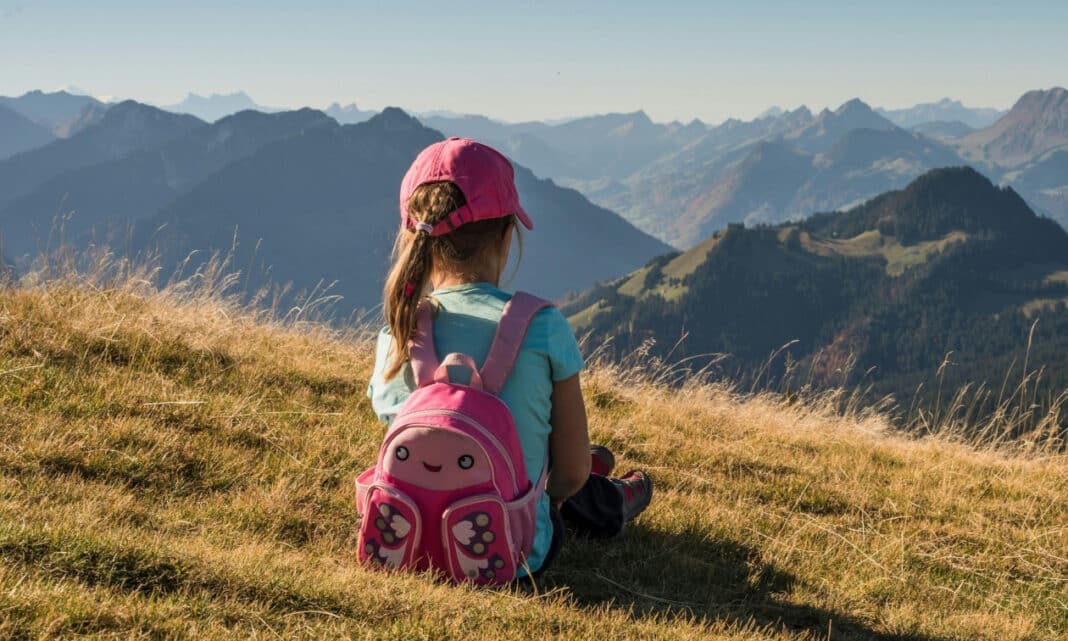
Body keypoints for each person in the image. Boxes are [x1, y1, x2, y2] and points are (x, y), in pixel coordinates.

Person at [367, 137, 653, 579]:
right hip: (516, 555)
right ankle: (611, 498)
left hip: (405, 544)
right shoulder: (541, 326)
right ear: (506, 235)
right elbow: (570, 475)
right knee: (558, 471)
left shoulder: (399, 331)